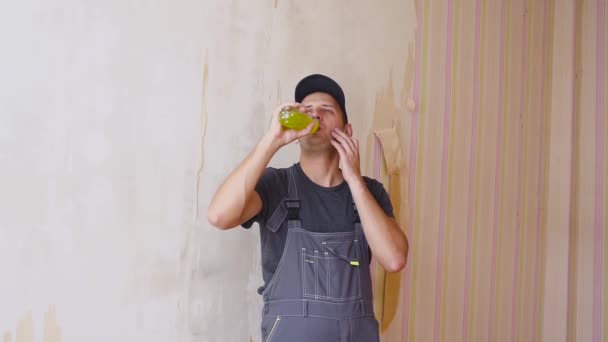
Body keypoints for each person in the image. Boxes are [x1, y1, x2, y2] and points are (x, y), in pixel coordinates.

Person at [207, 74, 409, 342]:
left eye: (326, 110)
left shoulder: (370, 192)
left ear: (347, 131)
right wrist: (272, 140)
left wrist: (354, 180)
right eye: (307, 111)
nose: (315, 116)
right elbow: (219, 215)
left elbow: (394, 259)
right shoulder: (275, 185)